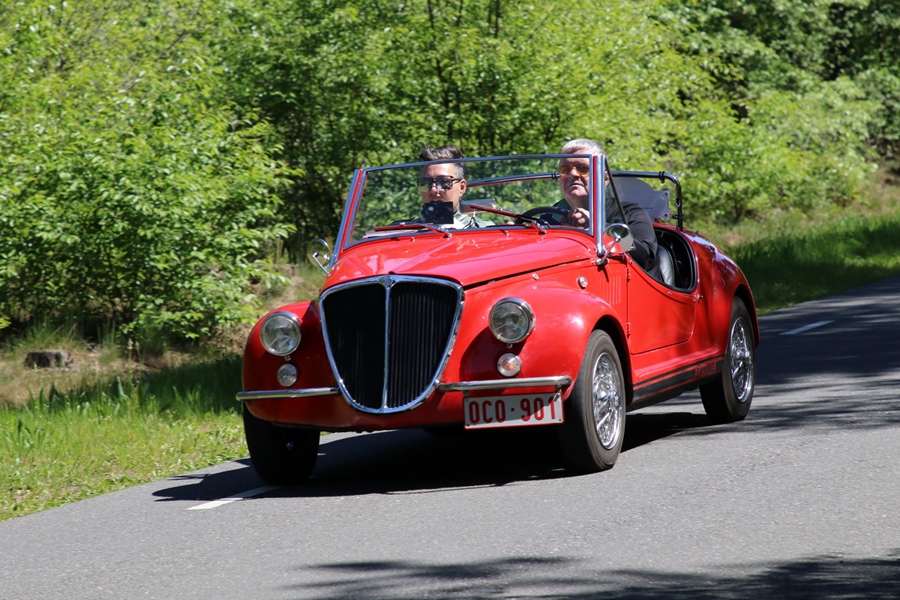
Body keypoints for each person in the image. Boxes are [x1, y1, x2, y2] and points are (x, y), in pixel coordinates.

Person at [556, 138, 661, 280]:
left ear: (605, 179)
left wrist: (598, 228)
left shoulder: (629, 213)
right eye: (565, 169)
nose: (572, 174)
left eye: (583, 168)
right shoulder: (548, 216)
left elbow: (645, 256)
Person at [414, 144, 492, 228]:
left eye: (444, 182)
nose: (433, 189)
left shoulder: (485, 231)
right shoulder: (407, 232)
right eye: (426, 182)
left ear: (462, 187)